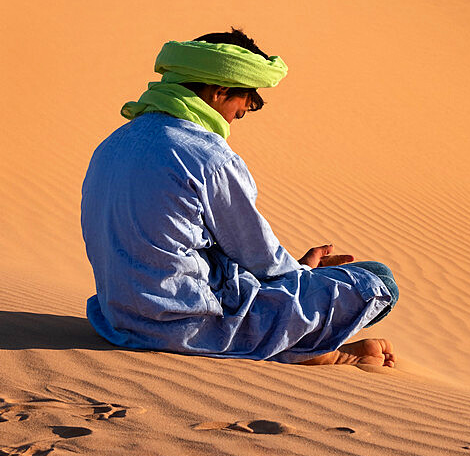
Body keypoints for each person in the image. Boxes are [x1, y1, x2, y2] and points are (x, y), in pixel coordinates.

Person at [81, 28, 399, 367]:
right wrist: (303, 273)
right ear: (220, 92)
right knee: (379, 281)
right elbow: (261, 258)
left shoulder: (113, 143)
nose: (233, 120)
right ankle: (311, 349)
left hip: (118, 319)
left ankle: (302, 342)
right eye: (239, 109)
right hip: (186, 326)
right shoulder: (209, 157)